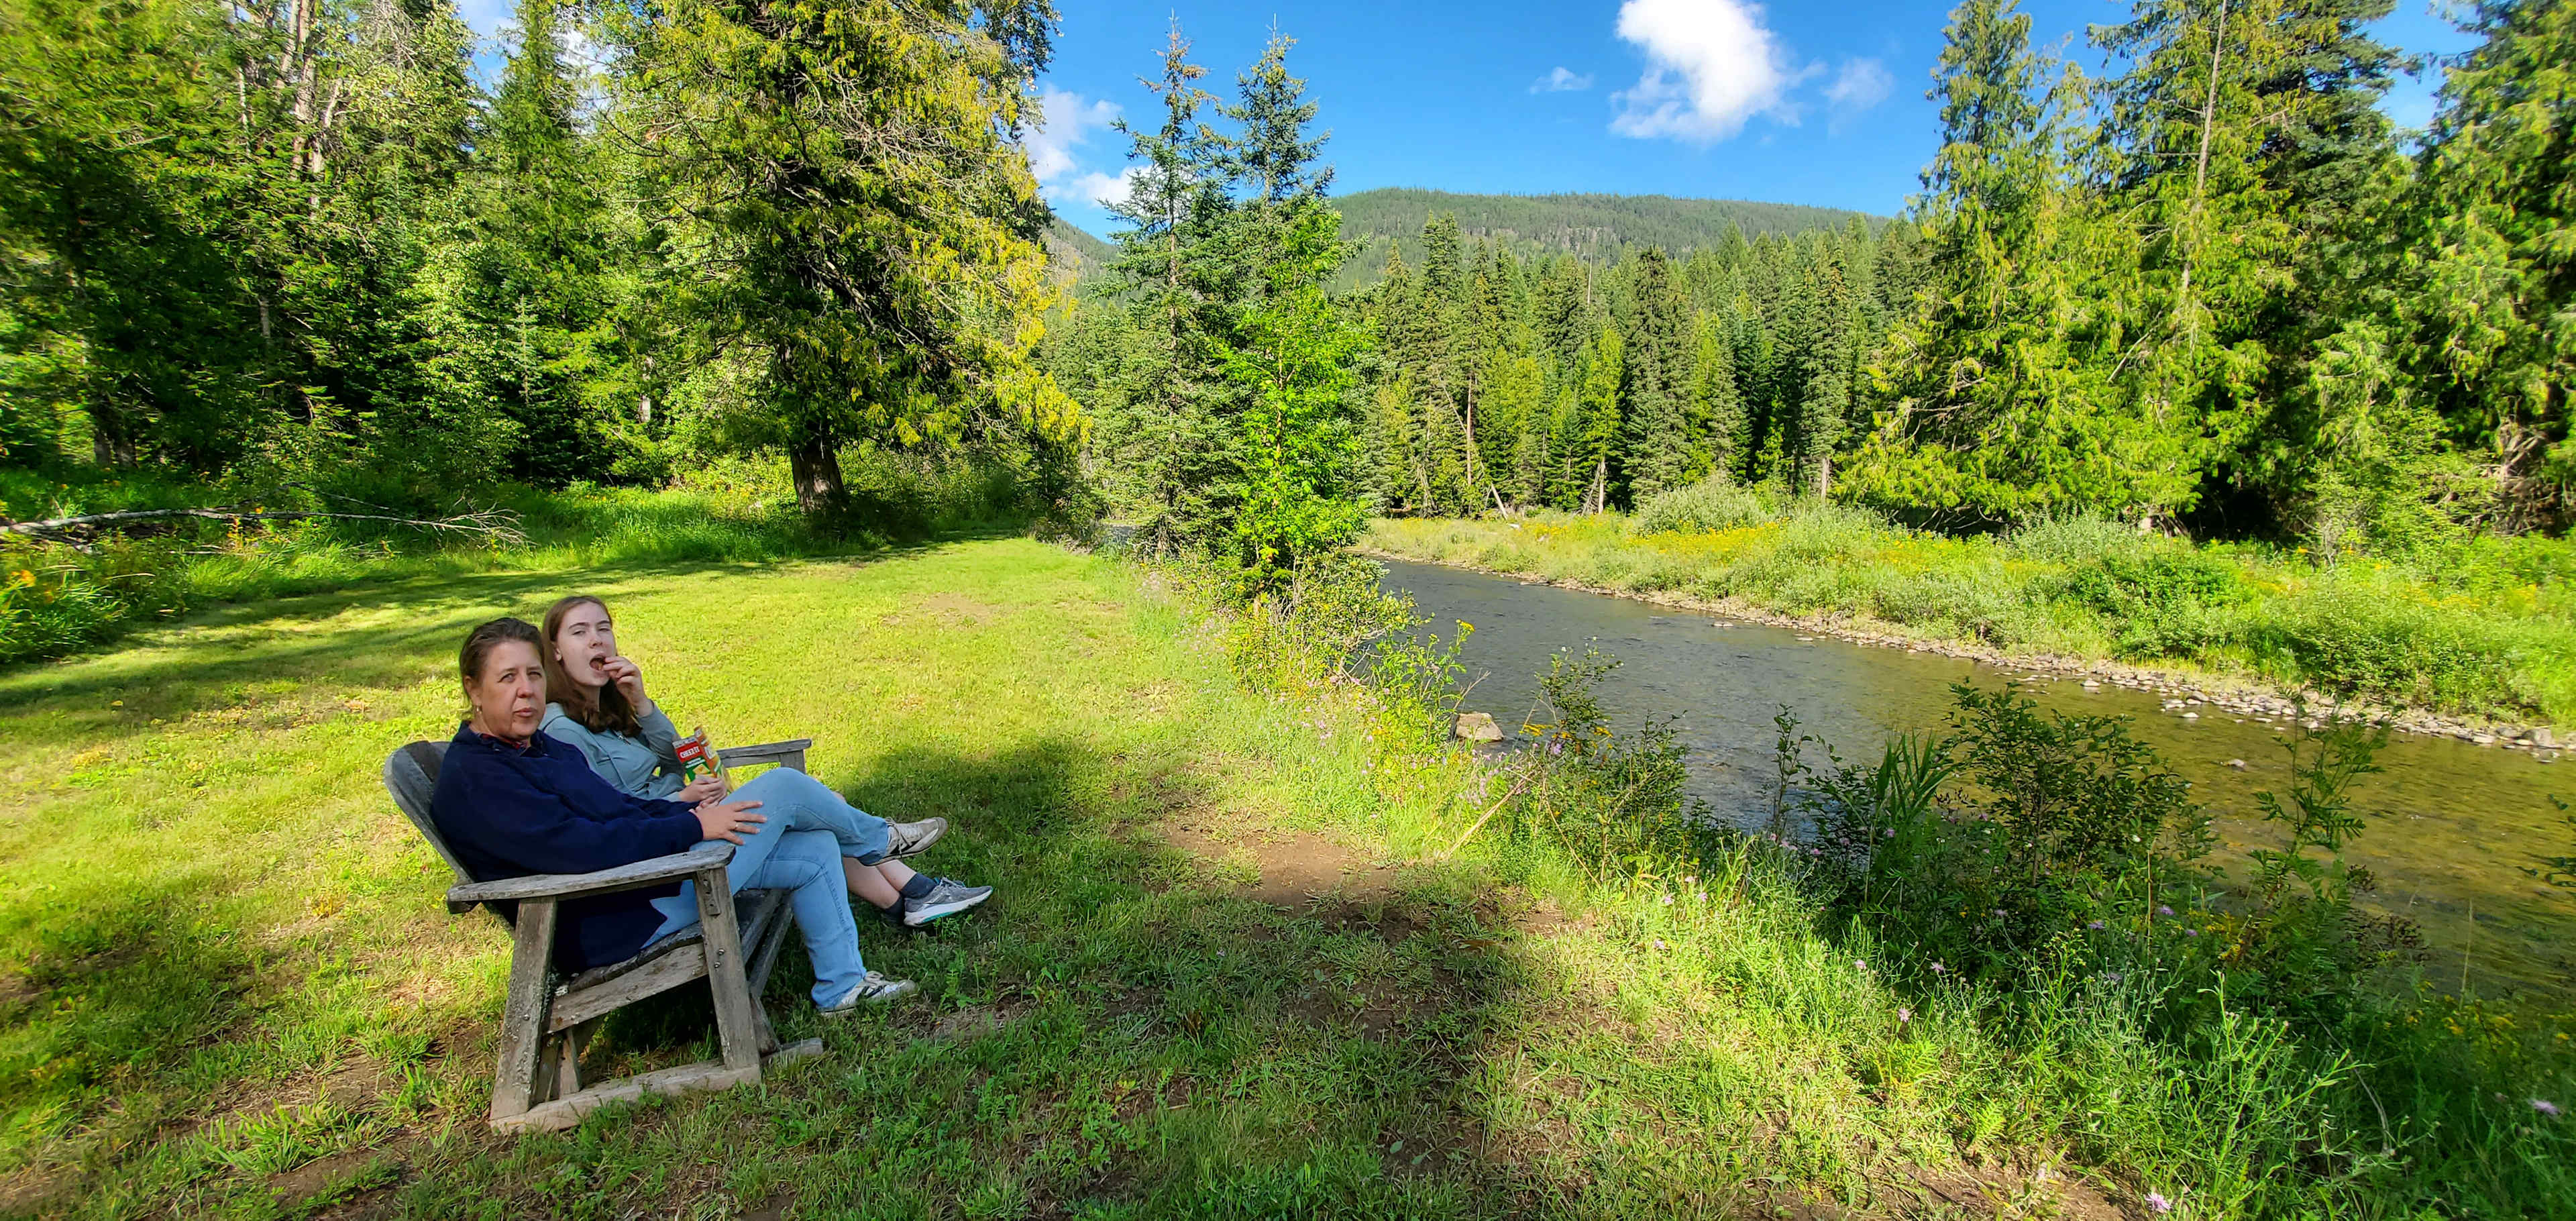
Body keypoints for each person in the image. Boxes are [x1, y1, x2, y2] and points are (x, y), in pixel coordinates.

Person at [431, 617, 916, 1012]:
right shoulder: (479, 780)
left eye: (534, 675)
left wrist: (681, 810)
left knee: (812, 848)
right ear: (474, 689)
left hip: (643, 882)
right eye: (508, 678)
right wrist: (693, 827)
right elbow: (582, 848)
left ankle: (842, 987)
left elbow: (615, 808)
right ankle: (878, 842)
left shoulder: (537, 747)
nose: (527, 691)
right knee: (785, 787)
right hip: (617, 914)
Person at [535, 594, 991, 929]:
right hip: (671, 852)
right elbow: (607, 810)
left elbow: (672, 756)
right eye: (579, 632)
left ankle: (911, 901)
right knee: (802, 794)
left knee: (822, 813)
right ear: (555, 650)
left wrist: (641, 701)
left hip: (695, 821)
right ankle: (897, 857)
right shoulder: (561, 728)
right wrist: (682, 798)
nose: (597, 639)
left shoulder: (609, 708)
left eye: (604, 628)